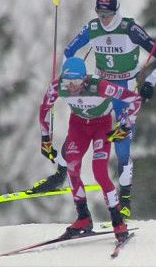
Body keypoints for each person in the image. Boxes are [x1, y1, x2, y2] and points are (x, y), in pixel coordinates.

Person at [29, 0, 156, 220]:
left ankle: (125, 199)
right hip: (100, 86)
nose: (104, 19)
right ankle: (60, 175)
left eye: (108, 14)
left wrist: (150, 83)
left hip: (125, 87)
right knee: (80, 128)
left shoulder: (129, 29)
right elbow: (68, 51)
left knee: (122, 142)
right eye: (100, 13)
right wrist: (69, 77)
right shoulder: (92, 28)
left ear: (117, 11)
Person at [38, 57, 142, 241]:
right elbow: (45, 108)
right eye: (68, 81)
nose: (71, 87)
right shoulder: (58, 86)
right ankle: (83, 217)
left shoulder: (100, 86)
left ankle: (118, 221)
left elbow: (134, 100)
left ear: (84, 80)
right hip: (78, 126)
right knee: (71, 167)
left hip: (101, 126)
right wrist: (45, 139)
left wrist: (125, 126)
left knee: (100, 172)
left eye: (76, 82)